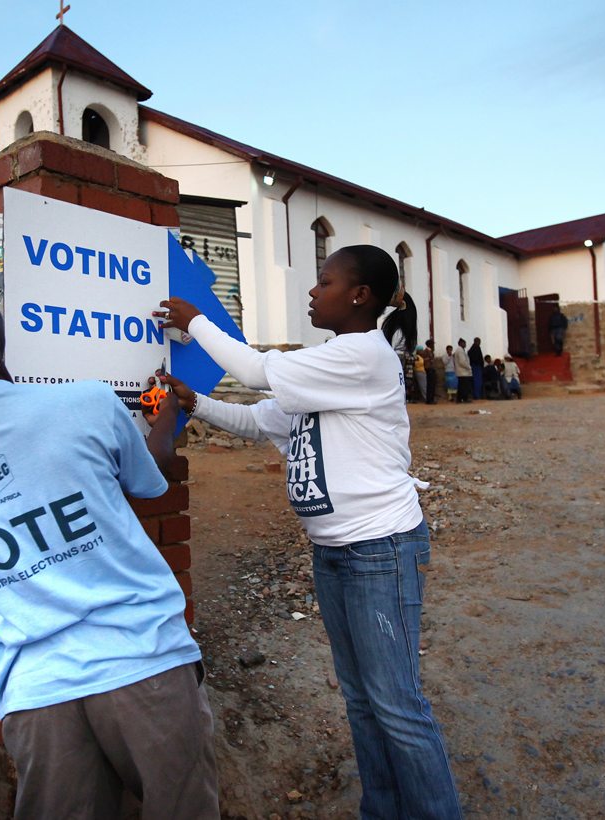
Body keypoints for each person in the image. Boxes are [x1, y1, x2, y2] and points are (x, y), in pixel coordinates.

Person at [0, 258, 218, 820]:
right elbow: (149, 478)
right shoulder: (84, 403)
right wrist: (167, 416)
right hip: (142, 663)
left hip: (35, 696)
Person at [156, 245, 463, 819]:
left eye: (324, 281)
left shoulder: (364, 356)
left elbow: (252, 370)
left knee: (396, 705)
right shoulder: (324, 368)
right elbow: (257, 418)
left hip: (380, 549)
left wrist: (193, 319)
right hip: (335, 554)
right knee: (362, 703)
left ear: (359, 296)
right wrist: (194, 402)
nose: (312, 291)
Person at [451, 338, 471, 404]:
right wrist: (468, 367)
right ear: (460, 343)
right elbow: (462, 362)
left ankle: (459, 399)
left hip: (462, 371)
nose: (465, 344)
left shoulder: (460, 350)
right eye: (463, 343)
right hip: (463, 371)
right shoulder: (460, 351)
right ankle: (464, 398)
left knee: (461, 386)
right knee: (464, 386)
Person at [422, 338, 439, 404]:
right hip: (428, 369)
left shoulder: (430, 351)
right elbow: (424, 360)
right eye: (432, 344)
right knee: (430, 385)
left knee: (432, 385)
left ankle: (431, 399)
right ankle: (429, 400)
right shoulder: (425, 351)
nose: (433, 345)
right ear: (429, 344)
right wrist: (429, 359)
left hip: (431, 369)